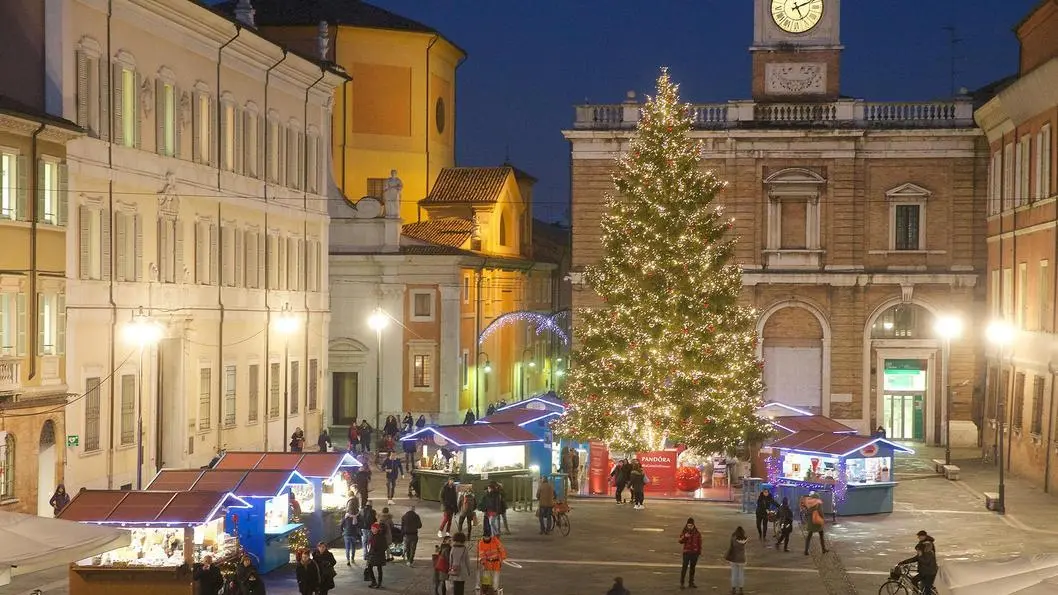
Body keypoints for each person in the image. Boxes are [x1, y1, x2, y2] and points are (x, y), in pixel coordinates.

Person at [899, 530, 938, 595]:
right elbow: (916, 558)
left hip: (930, 572)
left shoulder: (928, 548)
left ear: (924, 536)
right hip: (924, 571)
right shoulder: (923, 545)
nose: (918, 537)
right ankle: (917, 593)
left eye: (919, 536)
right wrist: (904, 562)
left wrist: (920, 555)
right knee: (914, 580)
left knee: (926, 590)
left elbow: (926, 561)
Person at [802, 491, 828, 555]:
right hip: (817, 522)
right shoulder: (818, 503)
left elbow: (806, 512)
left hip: (811, 522)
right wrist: (823, 518)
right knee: (821, 536)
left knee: (809, 537)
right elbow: (820, 512)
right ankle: (823, 549)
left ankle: (806, 550)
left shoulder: (808, 503)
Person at [678, 517, 702, 589]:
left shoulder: (697, 533)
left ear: (693, 525)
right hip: (687, 552)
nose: (690, 527)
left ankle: (691, 582)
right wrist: (685, 537)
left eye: (691, 525)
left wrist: (699, 552)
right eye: (688, 525)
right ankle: (682, 583)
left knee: (692, 568)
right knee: (684, 567)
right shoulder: (684, 531)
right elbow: (680, 541)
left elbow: (699, 543)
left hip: (694, 553)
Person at [725, 526, 748, 595]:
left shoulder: (733, 538)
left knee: (734, 574)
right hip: (742, 559)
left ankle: (733, 589)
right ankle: (741, 589)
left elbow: (731, 546)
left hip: (734, 558)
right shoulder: (745, 539)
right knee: (741, 574)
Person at [365, 522, 388, 589]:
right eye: (371, 528)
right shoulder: (372, 535)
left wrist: (378, 551)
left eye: (373, 528)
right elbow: (370, 545)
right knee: (369, 567)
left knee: (379, 569)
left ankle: (379, 583)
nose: (372, 529)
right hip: (372, 555)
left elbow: (385, 546)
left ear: (377, 529)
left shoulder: (381, 536)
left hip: (378, 555)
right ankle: (374, 581)